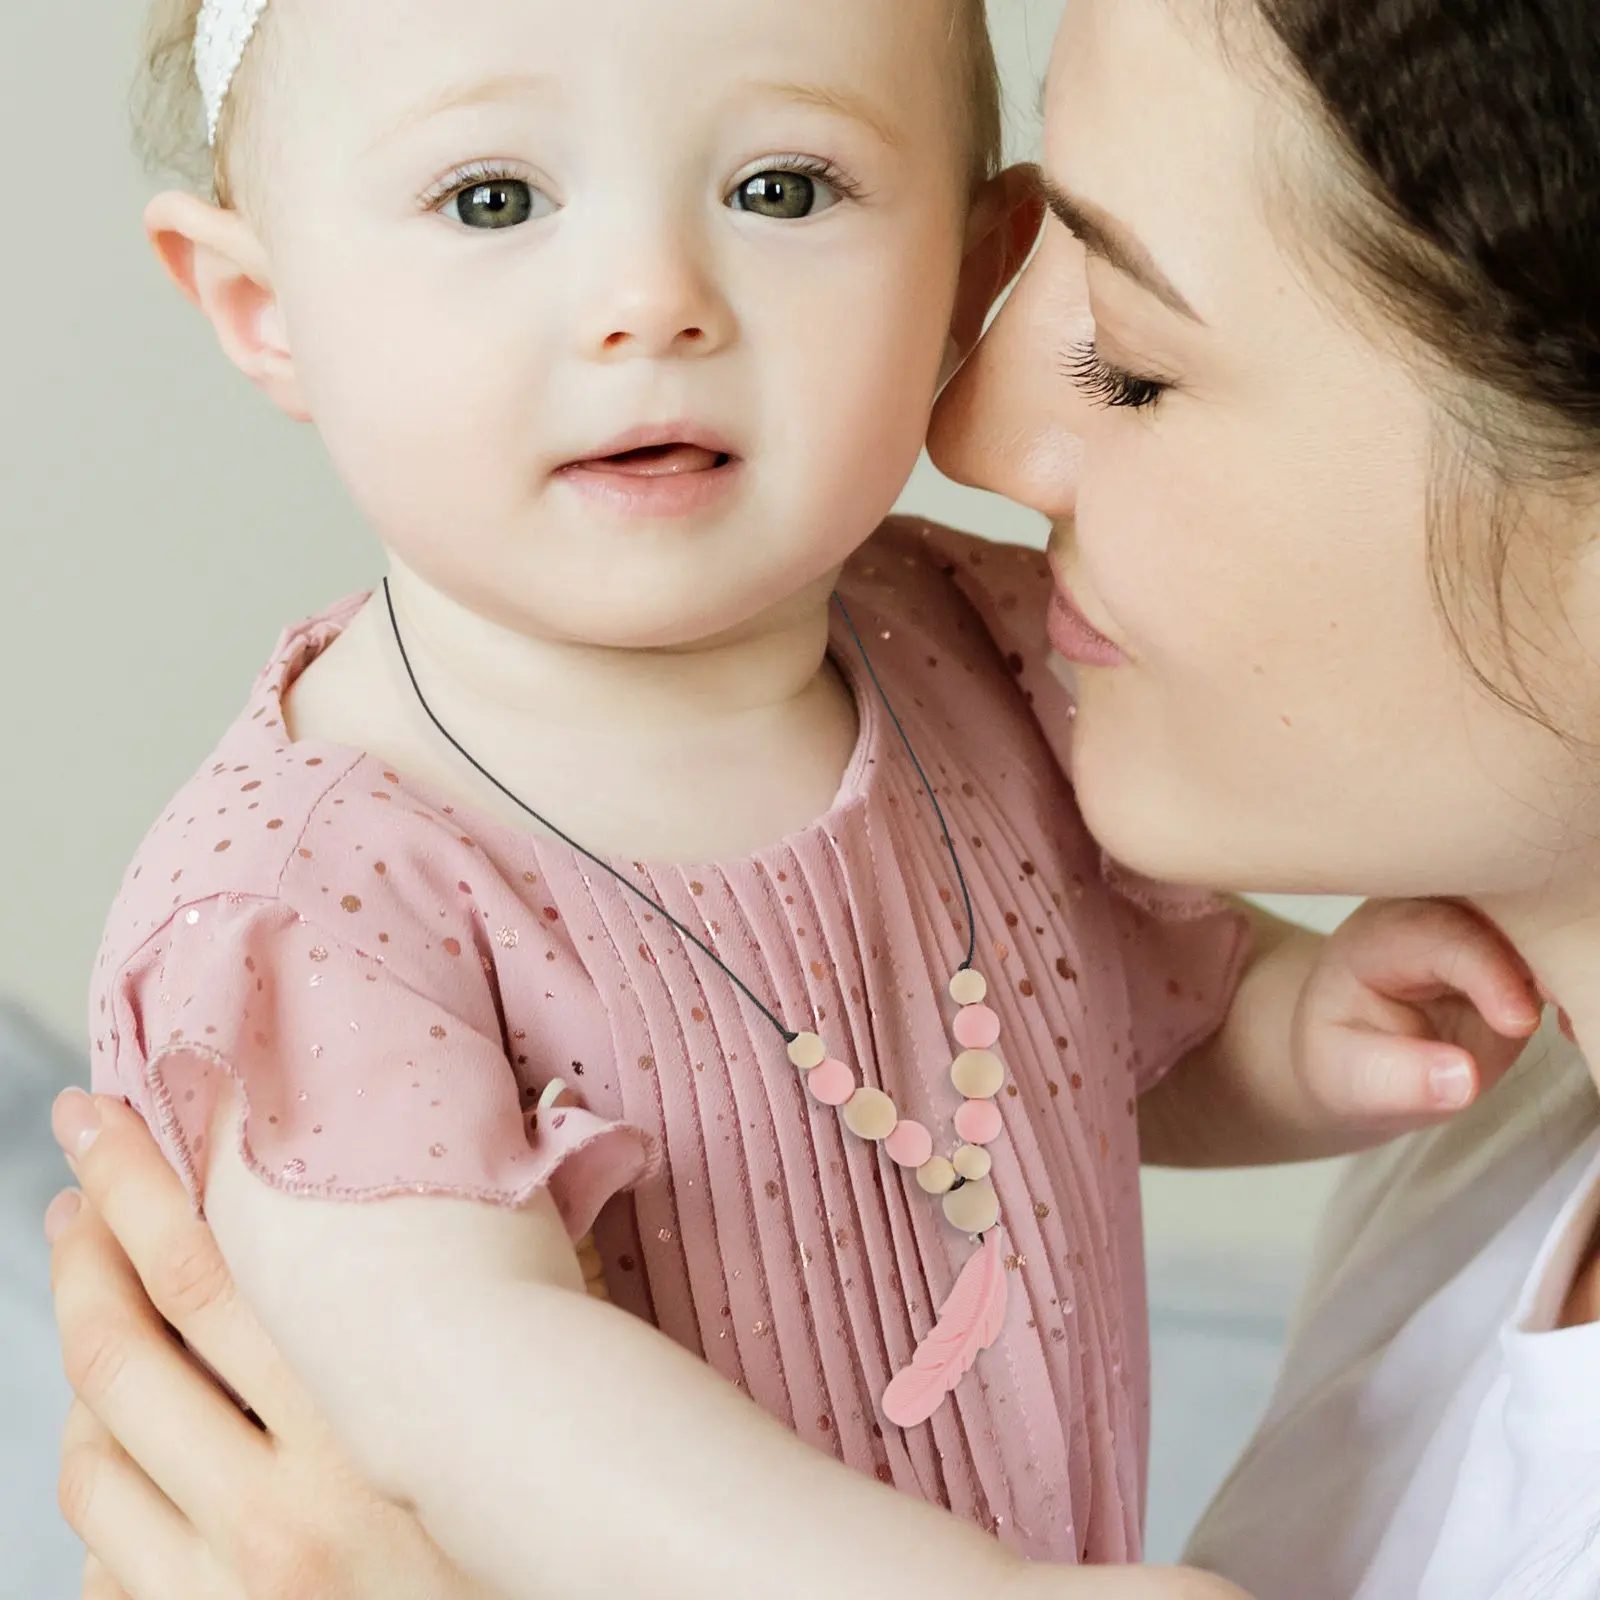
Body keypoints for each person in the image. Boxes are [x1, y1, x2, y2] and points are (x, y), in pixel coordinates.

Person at [44, 0, 1597, 1597]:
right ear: (261, 305)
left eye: (782, 190)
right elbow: (453, 1385)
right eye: (494, 200)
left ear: (973, 276)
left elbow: (1075, 1046)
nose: (651, 302)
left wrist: (1286, 1031)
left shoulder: (983, 658)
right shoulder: (327, 899)